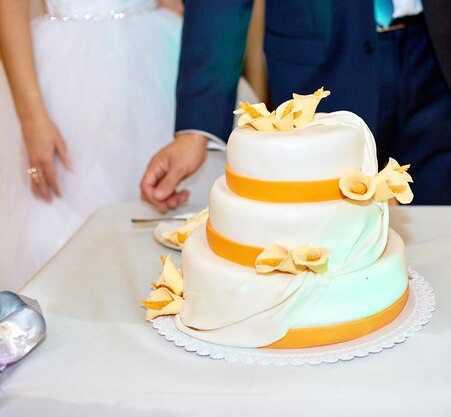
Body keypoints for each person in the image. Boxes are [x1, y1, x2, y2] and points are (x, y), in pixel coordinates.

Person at [140, 0, 451, 211]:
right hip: (321, 70)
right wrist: (196, 128)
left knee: (450, 235)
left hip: (440, 54)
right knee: (327, 255)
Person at [0, 0, 259, 291]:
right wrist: (31, 117)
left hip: (156, 50)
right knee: (64, 235)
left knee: (177, 234)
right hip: (68, 76)